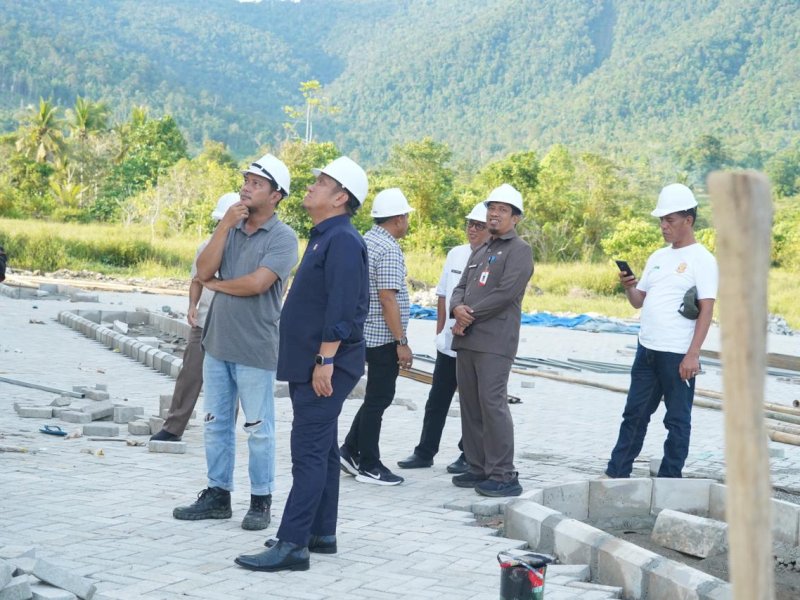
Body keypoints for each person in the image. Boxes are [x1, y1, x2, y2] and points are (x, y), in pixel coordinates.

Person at [234, 156, 369, 572]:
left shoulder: (343, 239)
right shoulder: (325, 236)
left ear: (340, 197)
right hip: (315, 362)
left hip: (325, 364)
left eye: (321, 183)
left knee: (307, 452)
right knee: (324, 450)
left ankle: (293, 544)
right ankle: (320, 532)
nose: (310, 187)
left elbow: (343, 306)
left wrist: (325, 358)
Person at [173, 153, 298, 531]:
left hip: (255, 348)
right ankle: (217, 494)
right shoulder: (231, 227)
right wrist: (224, 226)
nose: (246, 187)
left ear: (276, 196)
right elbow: (202, 269)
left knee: (258, 428)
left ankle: (261, 500)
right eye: (245, 180)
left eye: (256, 183)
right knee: (215, 423)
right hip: (217, 343)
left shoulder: (283, 237)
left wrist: (216, 286)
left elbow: (257, 283)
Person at [605, 183, 717, 479]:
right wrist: (629, 286)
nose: (663, 226)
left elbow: (707, 309)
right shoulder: (657, 257)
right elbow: (638, 301)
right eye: (661, 220)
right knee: (634, 415)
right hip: (647, 351)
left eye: (669, 220)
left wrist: (693, 355)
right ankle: (617, 473)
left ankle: (670, 479)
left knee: (677, 420)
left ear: (688, 220)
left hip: (678, 354)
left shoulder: (702, 260)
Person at [450, 184, 533, 498]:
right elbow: (460, 286)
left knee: (492, 404)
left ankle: (503, 474)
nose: (494, 214)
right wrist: (457, 308)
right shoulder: (482, 249)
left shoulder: (520, 251)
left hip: (495, 342)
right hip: (467, 339)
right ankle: (478, 467)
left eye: (502, 209)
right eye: (491, 208)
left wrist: (467, 314)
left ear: (515, 217)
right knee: (470, 406)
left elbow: (506, 293)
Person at [397, 202, 490, 472]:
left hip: (474, 343)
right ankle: (425, 451)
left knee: (472, 402)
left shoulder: (492, 258)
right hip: (448, 343)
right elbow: (442, 295)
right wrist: (440, 332)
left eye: (479, 225)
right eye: (469, 224)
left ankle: (467, 453)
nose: (472, 229)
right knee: (437, 398)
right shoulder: (456, 254)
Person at [339, 188, 414, 486]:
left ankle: (349, 450)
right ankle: (369, 463)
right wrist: (401, 342)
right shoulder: (389, 249)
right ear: (397, 219)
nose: (407, 222)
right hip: (382, 338)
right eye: (406, 216)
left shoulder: (365, 240)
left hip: (362, 333)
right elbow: (387, 299)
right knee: (380, 398)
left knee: (374, 398)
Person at [151, 192, 239, 443]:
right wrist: (192, 305)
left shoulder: (247, 250)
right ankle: (173, 427)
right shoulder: (207, 246)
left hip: (232, 325)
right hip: (204, 322)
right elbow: (197, 279)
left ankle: (225, 431)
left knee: (230, 380)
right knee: (190, 375)